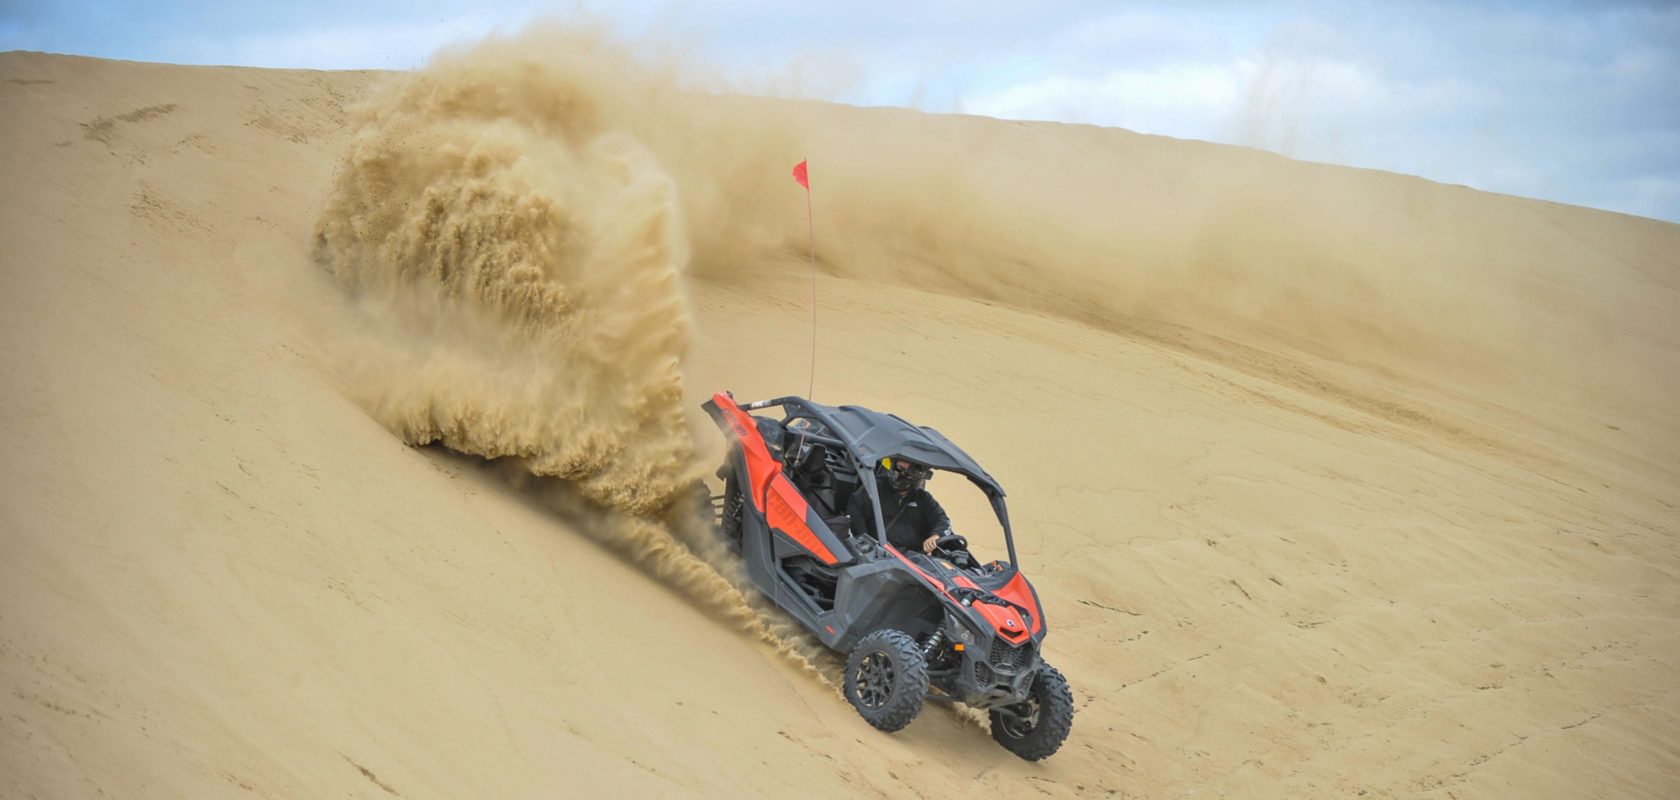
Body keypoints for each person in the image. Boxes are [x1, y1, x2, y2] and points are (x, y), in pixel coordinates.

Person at [846, 457, 952, 555]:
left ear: (917, 476)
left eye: (907, 472)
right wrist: (865, 544)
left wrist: (935, 536)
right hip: (878, 555)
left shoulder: (923, 498)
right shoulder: (876, 488)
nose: (900, 474)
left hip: (914, 560)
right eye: (899, 468)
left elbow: (942, 520)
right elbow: (855, 513)